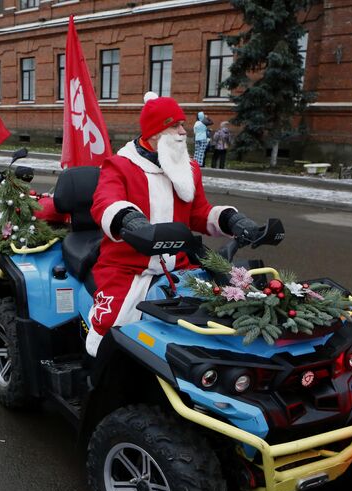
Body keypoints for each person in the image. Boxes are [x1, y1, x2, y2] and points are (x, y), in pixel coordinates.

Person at [86, 93, 262, 357]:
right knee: (111, 325)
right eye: (175, 126)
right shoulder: (121, 166)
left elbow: (199, 212)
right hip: (128, 267)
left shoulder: (187, 169)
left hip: (179, 265)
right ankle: (101, 377)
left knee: (217, 315)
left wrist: (231, 220)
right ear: (156, 133)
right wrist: (130, 219)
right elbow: (104, 202)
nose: (183, 132)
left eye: (183, 125)